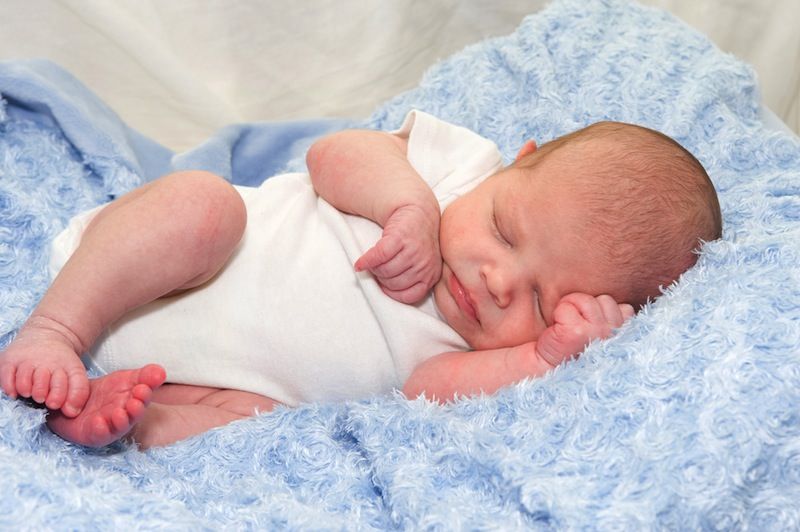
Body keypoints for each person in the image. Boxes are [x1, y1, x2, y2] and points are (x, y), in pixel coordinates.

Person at [0, 111, 722, 448]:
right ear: (511, 164)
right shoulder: (453, 169)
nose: (499, 279)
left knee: (252, 421)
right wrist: (401, 201)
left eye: (540, 300)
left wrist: (539, 358)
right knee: (203, 205)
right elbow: (332, 154)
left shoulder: (481, 354)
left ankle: (117, 421)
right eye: (504, 229)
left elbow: (421, 391)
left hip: (201, 378)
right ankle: (58, 329)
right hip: (152, 268)